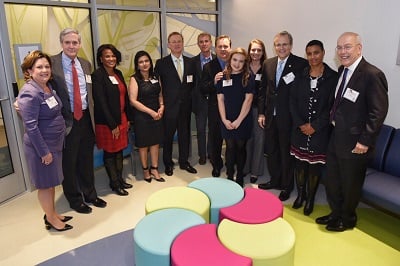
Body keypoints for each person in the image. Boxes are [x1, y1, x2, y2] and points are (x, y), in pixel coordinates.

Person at [316, 32, 388, 232]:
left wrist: (365, 141)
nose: (342, 52)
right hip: (336, 138)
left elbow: (378, 112)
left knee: (350, 184)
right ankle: (335, 212)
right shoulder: (342, 71)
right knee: (333, 181)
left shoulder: (372, 75)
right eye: (339, 47)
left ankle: (347, 219)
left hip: (356, 143)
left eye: (347, 47)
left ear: (359, 48)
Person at [51, 28, 106, 213]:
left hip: (85, 119)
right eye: (68, 42)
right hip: (66, 122)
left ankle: (90, 194)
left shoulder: (86, 64)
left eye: (75, 42)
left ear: (80, 44)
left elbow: (88, 94)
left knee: (85, 159)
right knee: (69, 163)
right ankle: (74, 199)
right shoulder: (51, 63)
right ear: (61, 43)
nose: (71, 46)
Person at [18, 50, 72, 231]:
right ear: (30, 71)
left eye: (47, 66)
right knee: (45, 185)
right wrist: (44, 152)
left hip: (54, 144)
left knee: (51, 184)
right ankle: (50, 219)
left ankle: (53, 213)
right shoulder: (30, 92)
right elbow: (31, 127)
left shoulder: (47, 87)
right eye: (39, 67)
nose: (44, 70)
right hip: (42, 148)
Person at [257, 31, 308, 201]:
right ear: (274, 46)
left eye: (285, 44)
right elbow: (263, 90)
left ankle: (287, 186)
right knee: (272, 151)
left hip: (289, 119)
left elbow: (303, 95)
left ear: (291, 46)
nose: (281, 47)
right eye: (278, 44)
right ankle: (275, 180)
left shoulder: (301, 65)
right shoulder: (268, 64)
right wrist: (261, 113)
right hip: (270, 117)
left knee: (286, 154)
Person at [289, 40, 337, 215]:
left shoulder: (333, 77)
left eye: (316, 53)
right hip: (300, 130)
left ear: (323, 53)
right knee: (300, 165)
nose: (312, 57)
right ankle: (300, 195)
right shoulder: (300, 75)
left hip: (320, 132)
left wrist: (315, 126)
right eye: (309, 53)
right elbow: (292, 101)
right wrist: (301, 123)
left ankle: (310, 199)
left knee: (314, 167)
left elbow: (333, 107)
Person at [92, 44, 133, 196]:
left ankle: (120, 179)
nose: (111, 59)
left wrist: (128, 118)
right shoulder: (97, 75)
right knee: (110, 153)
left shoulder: (118, 73)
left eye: (113, 55)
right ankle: (114, 184)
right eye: (107, 56)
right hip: (108, 122)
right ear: (101, 59)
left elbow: (125, 98)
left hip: (121, 118)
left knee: (119, 150)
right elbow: (101, 102)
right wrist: (112, 124)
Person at [154, 32, 197, 176]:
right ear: (168, 45)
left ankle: (184, 162)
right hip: (169, 107)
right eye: (173, 42)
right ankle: (168, 163)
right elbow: (156, 87)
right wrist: (160, 105)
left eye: (179, 41)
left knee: (185, 135)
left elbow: (194, 84)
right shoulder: (161, 63)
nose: (177, 44)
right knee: (168, 137)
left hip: (186, 106)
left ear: (183, 43)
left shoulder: (191, 62)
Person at [216, 48, 254, 187]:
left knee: (240, 147)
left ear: (245, 63)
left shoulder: (248, 77)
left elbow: (248, 100)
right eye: (235, 60)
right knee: (230, 147)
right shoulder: (223, 77)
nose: (237, 64)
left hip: (242, 119)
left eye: (241, 61)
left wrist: (238, 120)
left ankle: (240, 175)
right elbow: (220, 99)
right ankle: (230, 173)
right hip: (226, 118)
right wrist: (224, 119)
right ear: (230, 60)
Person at [128, 50, 165, 182]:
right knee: (143, 145)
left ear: (150, 62)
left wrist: (162, 106)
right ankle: (145, 170)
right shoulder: (134, 79)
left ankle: (154, 168)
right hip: (142, 116)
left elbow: (160, 94)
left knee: (155, 143)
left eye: (146, 61)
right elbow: (133, 101)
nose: (144, 64)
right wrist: (151, 112)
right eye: (141, 62)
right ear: (137, 65)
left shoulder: (156, 76)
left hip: (157, 114)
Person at [200, 35, 232, 177]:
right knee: (215, 139)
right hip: (215, 109)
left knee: (231, 141)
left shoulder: (236, 63)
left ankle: (230, 164)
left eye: (226, 46)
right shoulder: (208, 66)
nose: (223, 49)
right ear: (216, 48)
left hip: (233, 110)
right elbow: (202, 88)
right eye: (220, 47)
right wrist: (213, 82)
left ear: (230, 47)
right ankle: (216, 165)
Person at [243, 39, 267, 184]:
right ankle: (245, 167)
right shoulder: (244, 66)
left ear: (263, 52)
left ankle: (256, 171)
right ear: (249, 50)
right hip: (245, 108)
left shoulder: (267, 67)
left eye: (259, 50)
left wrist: (263, 112)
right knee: (247, 139)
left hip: (260, 109)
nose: (255, 53)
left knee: (259, 139)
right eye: (253, 50)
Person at [192, 32, 216, 165]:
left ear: (211, 43)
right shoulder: (193, 62)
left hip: (213, 101)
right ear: (198, 44)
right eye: (201, 41)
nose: (204, 44)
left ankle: (211, 153)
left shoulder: (217, 60)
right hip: (199, 101)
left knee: (212, 129)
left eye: (206, 41)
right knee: (200, 130)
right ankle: (202, 155)